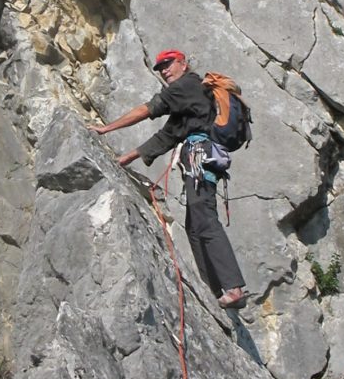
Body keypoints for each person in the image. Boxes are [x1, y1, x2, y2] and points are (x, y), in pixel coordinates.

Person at [89, 49, 247, 310]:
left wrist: (106, 128)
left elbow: (147, 110)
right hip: (202, 157)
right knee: (194, 225)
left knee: (204, 217)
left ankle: (233, 288)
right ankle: (214, 289)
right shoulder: (190, 96)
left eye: (169, 65)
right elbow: (168, 135)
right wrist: (127, 158)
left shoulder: (186, 85)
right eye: (161, 67)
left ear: (183, 64)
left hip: (200, 157)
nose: (164, 71)